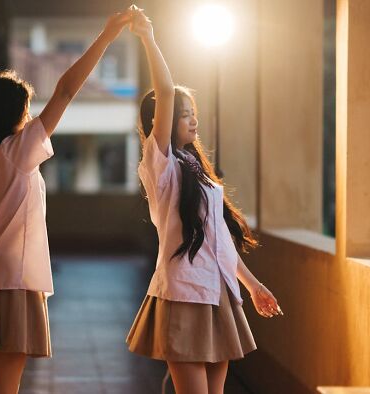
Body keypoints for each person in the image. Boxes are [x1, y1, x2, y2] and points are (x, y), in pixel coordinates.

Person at [0, 9, 132, 394]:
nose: (30, 116)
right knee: (4, 388)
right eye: (25, 109)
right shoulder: (15, 154)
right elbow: (66, 90)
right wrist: (105, 36)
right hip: (12, 284)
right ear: (12, 115)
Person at [125, 7, 283, 394]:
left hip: (218, 293)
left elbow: (220, 241)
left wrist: (252, 284)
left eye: (193, 113)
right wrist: (148, 36)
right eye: (183, 115)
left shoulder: (196, 168)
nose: (192, 121)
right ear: (160, 123)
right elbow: (164, 91)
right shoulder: (159, 164)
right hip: (185, 294)